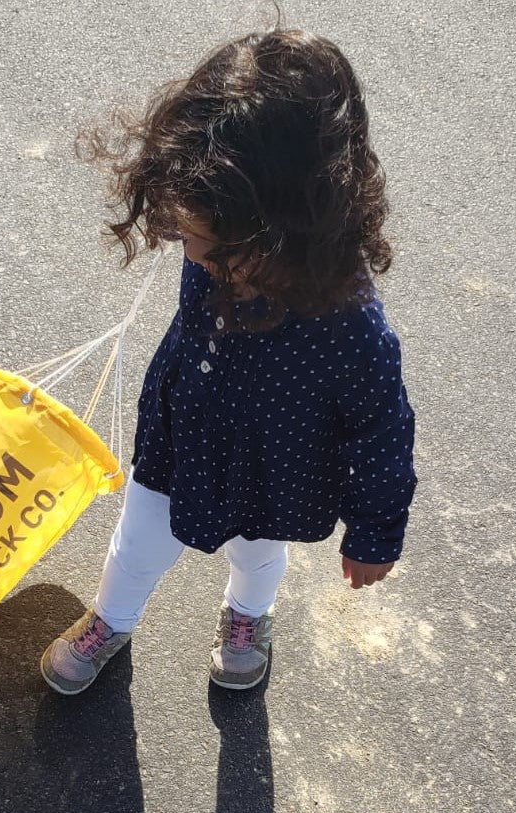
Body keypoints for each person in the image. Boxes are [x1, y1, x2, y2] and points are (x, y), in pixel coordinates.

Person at [40, 27, 417, 694]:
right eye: (188, 232)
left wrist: (375, 532)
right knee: (137, 543)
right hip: (183, 431)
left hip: (275, 468)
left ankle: (248, 616)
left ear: (290, 227)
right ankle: (112, 618)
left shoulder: (351, 324)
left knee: (258, 553)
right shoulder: (221, 225)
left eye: (211, 243)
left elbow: (384, 431)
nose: (193, 254)